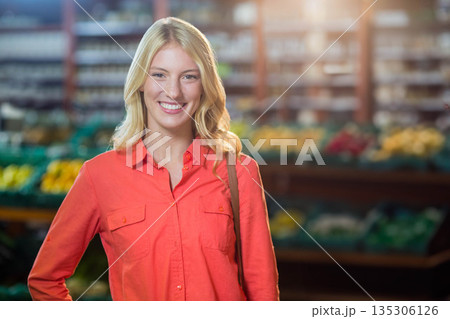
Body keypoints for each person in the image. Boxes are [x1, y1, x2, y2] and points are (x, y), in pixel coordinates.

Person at [28, 17, 279, 301]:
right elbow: (45, 280)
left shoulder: (239, 171)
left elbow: (263, 291)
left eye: (189, 76)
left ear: (204, 85)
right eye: (159, 74)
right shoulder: (99, 176)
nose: (173, 91)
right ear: (140, 83)